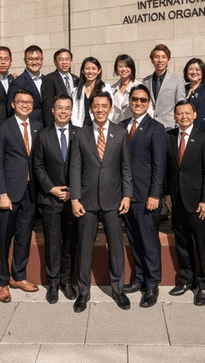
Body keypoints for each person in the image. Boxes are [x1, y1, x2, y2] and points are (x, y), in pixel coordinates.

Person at [70, 92, 133, 312]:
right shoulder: (80, 135)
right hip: (86, 201)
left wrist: (127, 195)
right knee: (85, 247)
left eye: (104, 106)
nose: (99, 109)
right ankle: (83, 292)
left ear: (110, 108)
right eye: (95, 106)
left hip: (114, 200)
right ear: (90, 109)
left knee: (116, 246)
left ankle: (118, 289)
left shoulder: (120, 132)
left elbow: (126, 167)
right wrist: (75, 198)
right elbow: (75, 168)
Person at [0, 89, 43, 302]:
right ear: (13, 104)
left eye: (29, 102)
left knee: (24, 236)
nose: (25, 105)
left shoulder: (39, 127)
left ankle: (18, 276)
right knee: (4, 238)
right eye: (21, 101)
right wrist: (2, 193)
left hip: (31, 192)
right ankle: (1, 281)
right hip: (10, 193)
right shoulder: (4, 128)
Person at [165, 100, 205, 306]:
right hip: (176, 201)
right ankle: (186, 280)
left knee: (202, 245)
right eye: (179, 113)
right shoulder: (168, 137)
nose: (183, 116)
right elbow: (168, 170)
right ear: (175, 116)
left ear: (194, 115)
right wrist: (167, 194)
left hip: (198, 203)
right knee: (182, 243)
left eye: (187, 113)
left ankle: (204, 285)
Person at [120, 84, 166, 308]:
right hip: (126, 196)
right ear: (130, 101)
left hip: (147, 196)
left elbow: (159, 165)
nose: (138, 103)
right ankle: (139, 278)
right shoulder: (120, 127)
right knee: (134, 239)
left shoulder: (156, 128)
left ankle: (151, 283)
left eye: (143, 100)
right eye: (135, 99)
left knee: (149, 242)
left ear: (149, 104)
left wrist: (155, 194)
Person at [32, 95, 79, 304]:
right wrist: (52, 189)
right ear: (52, 110)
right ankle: (52, 283)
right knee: (52, 243)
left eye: (67, 108)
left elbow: (84, 166)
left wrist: (73, 191)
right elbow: (38, 166)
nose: (63, 112)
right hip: (50, 199)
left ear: (71, 111)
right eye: (59, 108)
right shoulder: (42, 135)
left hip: (73, 199)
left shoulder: (80, 133)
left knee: (70, 242)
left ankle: (66, 280)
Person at [141, 44, 185, 130]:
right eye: (156, 57)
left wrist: (178, 126)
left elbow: (181, 105)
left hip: (169, 127)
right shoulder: (146, 81)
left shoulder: (177, 80)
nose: (160, 60)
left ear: (168, 60)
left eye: (163, 57)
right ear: (152, 60)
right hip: (149, 127)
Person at [7, 45, 46, 124]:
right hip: (28, 126)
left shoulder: (47, 80)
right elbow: (11, 110)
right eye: (30, 59)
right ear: (25, 61)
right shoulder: (17, 83)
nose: (34, 62)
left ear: (42, 60)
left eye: (37, 59)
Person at [41, 48, 79, 127]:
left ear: (71, 62)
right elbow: (47, 107)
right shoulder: (50, 79)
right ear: (55, 62)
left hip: (75, 124)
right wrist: (50, 128)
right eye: (61, 59)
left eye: (67, 59)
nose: (64, 62)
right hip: (58, 124)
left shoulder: (77, 79)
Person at [70, 56, 112, 127]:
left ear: (99, 71)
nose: (90, 71)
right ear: (83, 71)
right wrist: (77, 128)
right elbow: (73, 111)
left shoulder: (105, 88)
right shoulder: (76, 90)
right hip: (81, 127)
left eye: (94, 69)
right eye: (87, 69)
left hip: (99, 125)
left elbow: (110, 110)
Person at [110, 54, 142, 124]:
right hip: (117, 129)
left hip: (134, 127)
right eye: (120, 66)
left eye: (127, 66)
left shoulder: (139, 87)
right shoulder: (111, 89)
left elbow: (148, 110)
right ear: (116, 69)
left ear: (132, 68)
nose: (124, 69)